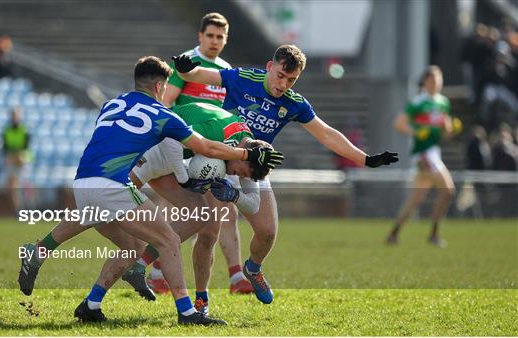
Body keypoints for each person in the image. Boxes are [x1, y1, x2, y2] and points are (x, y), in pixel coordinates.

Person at [17, 56, 282, 325]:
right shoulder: (163, 114)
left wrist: (229, 184)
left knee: (132, 242)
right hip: (118, 181)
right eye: (166, 87)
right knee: (166, 239)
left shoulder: (112, 103)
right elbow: (207, 148)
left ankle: (87, 299)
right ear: (158, 86)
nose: (166, 92)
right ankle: (187, 311)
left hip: (83, 180)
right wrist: (196, 172)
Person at [171, 44, 399, 304]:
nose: (284, 84)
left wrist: (365, 159)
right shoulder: (244, 78)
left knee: (267, 231)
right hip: (223, 159)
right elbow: (198, 76)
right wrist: (185, 69)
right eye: (280, 75)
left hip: (256, 166)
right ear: (270, 66)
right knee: (209, 230)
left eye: (291, 80)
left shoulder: (294, 103)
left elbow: (326, 134)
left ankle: (253, 269)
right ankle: (201, 300)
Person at [149, 12, 255, 295]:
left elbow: (227, 112)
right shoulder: (186, 63)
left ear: (226, 39)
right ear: (200, 36)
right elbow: (166, 102)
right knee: (192, 214)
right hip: (185, 148)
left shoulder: (226, 69)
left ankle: (235, 277)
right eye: (210, 35)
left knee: (224, 213)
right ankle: (156, 270)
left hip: (214, 151)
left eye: (220, 36)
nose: (215, 41)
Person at [386, 66, 456, 247]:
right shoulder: (418, 102)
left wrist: (449, 129)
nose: (436, 83)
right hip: (423, 155)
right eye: (432, 80)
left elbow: (445, 132)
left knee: (416, 199)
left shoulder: (443, 103)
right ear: (425, 82)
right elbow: (399, 124)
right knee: (448, 191)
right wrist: (417, 132)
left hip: (434, 153)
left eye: (438, 79)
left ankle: (393, 233)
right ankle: (434, 234)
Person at [2, 107, 30, 212]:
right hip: (11, 160)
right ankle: (18, 210)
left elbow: (26, 147)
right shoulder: (7, 130)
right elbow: (5, 147)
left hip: (21, 160)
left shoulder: (24, 129)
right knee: (12, 187)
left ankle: (25, 208)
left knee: (19, 185)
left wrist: (18, 156)